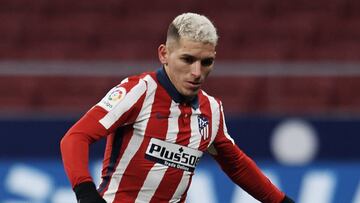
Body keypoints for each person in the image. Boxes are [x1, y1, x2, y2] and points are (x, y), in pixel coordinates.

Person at [60, 12, 295, 203]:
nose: (197, 72)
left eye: (206, 62)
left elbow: (237, 165)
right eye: (187, 59)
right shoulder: (139, 91)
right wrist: (86, 194)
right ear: (164, 54)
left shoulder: (211, 110)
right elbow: (75, 137)